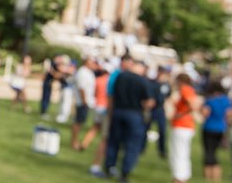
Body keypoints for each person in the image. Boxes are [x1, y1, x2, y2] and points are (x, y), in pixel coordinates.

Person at [102, 54, 153, 183]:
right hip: (134, 114)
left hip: (118, 112)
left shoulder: (120, 76)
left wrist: (110, 111)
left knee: (114, 141)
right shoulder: (142, 81)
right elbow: (149, 102)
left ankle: (109, 167)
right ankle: (124, 173)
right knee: (132, 145)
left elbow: (112, 95)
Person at [169, 72, 200, 183]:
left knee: (178, 154)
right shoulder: (190, 90)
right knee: (183, 153)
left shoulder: (185, 89)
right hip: (186, 126)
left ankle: (179, 178)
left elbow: (192, 105)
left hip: (181, 125)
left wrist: (180, 114)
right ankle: (182, 177)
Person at [200, 81, 232, 182]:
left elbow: (205, 113)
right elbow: (229, 115)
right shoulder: (226, 100)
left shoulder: (210, 100)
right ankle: (217, 176)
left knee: (208, 152)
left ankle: (208, 175)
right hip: (220, 129)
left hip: (209, 128)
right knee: (214, 152)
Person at [142, 66, 171, 159]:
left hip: (160, 109)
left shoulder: (166, 85)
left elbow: (168, 95)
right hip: (152, 109)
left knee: (162, 130)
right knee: (146, 128)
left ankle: (161, 150)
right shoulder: (152, 83)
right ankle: (141, 147)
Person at [72, 57, 99, 151]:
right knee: (78, 122)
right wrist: (84, 101)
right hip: (83, 101)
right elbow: (81, 88)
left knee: (82, 122)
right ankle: (74, 142)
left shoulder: (89, 72)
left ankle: (81, 142)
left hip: (89, 101)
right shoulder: (82, 72)